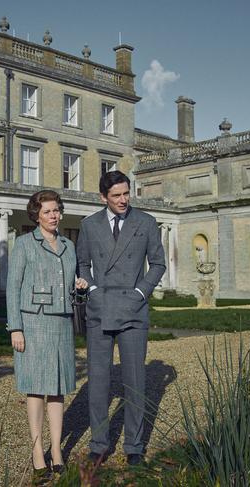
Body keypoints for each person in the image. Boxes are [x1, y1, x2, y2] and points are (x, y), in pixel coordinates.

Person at [76, 171, 165, 466]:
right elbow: (82, 264)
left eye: (126, 193)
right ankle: (99, 444)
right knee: (98, 381)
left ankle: (134, 446)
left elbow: (158, 263)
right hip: (100, 310)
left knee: (135, 381)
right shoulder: (89, 225)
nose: (123, 200)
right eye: (116, 195)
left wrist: (140, 293)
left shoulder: (146, 222)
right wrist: (94, 290)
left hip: (133, 310)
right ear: (103, 197)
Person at [6, 190, 88, 480]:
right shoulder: (24, 245)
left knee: (58, 388)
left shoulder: (68, 245)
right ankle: (37, 450)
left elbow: (73, 289)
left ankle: (56, 450)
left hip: (62, 324)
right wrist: (15, 327)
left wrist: (79, 288)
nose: (53, 216)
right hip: (33, 323)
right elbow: (12, 288)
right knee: (36, 388)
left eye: (56, 211)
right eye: (48, 212)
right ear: (36, 215)